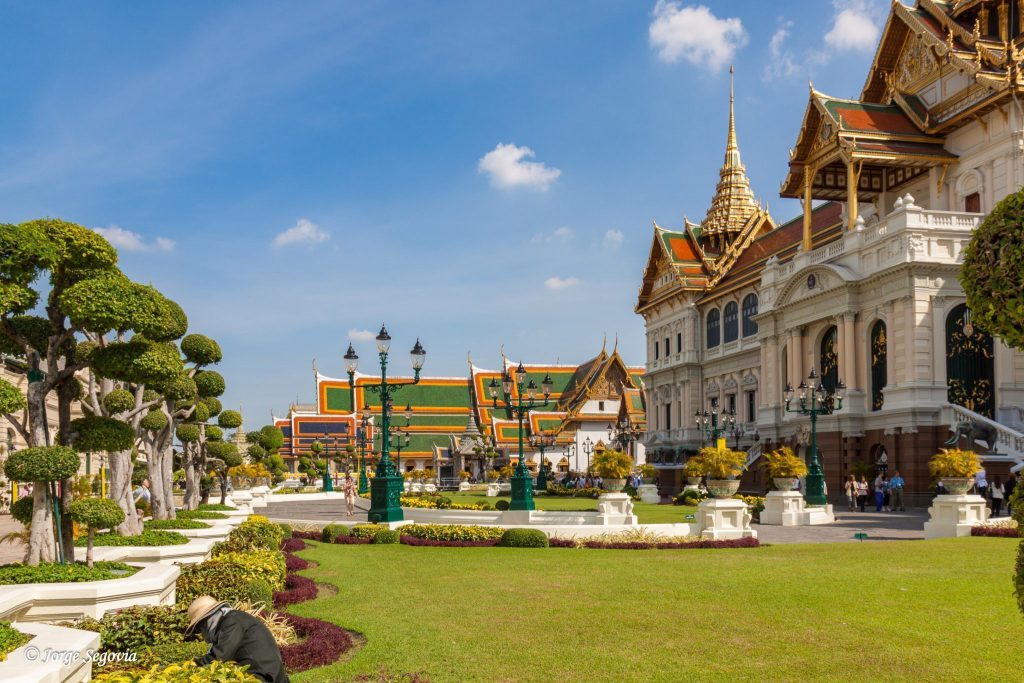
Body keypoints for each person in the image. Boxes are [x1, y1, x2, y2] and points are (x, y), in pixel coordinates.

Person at [186, 596, 289, 683]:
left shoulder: (232, 622)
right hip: (263, 673)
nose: (201, 632)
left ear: (207, 620)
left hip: (264, 677)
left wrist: (190, 666)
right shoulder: (231, 620)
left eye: (199, 627)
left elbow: (220, 656)